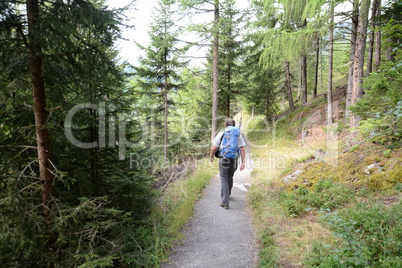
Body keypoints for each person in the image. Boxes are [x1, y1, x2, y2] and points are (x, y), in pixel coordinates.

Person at [210, 118, 246, 209]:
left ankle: (225, 202)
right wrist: (243, 163)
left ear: (225, 126)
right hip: (234, 159)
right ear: (233, 126)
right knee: (230, 176)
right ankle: (228, 194)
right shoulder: (238, 135)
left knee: (224, 178)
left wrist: (211, 157)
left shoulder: (222, 133)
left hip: (224, 159)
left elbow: (214, 148)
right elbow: (242, 148)